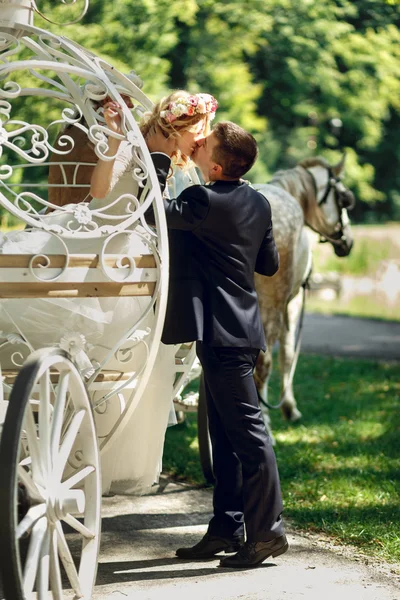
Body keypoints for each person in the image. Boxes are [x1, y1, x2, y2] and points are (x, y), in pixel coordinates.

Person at [0, 89, 217, 496]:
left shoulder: (170, 162)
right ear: (179, 127)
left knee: (135, 353)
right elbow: (99, 192)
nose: (199, 143)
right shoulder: (129, 143)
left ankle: (91, 449)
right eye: (198, 134)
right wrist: (114, 138)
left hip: (132, 257)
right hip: (108, 251)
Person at [146, 119, 288, 568]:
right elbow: (267, 263)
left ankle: (267, 532)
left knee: (249, 436)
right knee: (225, 438)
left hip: (223, 334)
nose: (199, 143)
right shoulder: (258, 202)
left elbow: (151, 211)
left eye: (205, 144)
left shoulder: (201, 199)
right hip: (240, 330)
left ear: (218, 163)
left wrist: (160, 159)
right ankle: (226, 529)